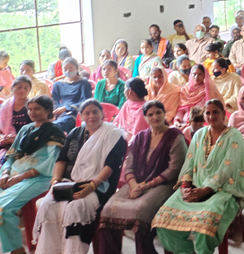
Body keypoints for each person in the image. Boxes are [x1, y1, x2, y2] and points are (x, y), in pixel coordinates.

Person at [152, 99, 244, 254]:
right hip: (195, 187)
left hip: (224, 191)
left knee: (205, 228)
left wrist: (205, 190)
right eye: (208, 112)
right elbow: (189, 163)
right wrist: (184, 187)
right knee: (163, 223)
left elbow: (227, 169)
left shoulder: (233, 135)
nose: (211, 116)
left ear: (224, 114)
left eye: (215, 112)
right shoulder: (199, 135)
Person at [33, 100, 126, 254]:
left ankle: (73, 251)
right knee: (48, 205)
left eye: (95, 112)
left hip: (98, 187)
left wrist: (92, 186)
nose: (92, 116)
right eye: (87, 113)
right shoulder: (75, 133)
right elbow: (61, 160)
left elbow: (110, 166)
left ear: (102, 113)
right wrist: (55, 182)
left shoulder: (113, 134)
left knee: (75, 208)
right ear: (81, 115)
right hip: (68, 183)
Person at [97, 100, 187, 254]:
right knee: (107, 211)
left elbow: (174, 170)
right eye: (150, 114)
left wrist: (145, 186)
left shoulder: (175, 137)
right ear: (145, 118)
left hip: (164, 184)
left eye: (158, 112)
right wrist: (133, 185)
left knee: (140, 214)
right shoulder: (139, 137)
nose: (155, 117)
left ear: (164, 113)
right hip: (136, 183)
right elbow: (129, 166)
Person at [0, 96, 64, 254]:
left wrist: (22, 176)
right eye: (30, 109)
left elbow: (52, 162)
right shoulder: (25, 129)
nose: (32, 112)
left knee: (3, 208)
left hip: (39, 178)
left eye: (37, 109)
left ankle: (17, 250)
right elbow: (11, 155)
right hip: (13, 174)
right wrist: (5, 173)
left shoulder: (53, 131)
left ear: (47, 110)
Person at [51, 57, 93, 132]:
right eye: (65, 69)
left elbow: (85, 102)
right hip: (59, 114)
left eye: (71, 68)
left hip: (74, 114)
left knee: (55, 127)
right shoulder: (58, 84)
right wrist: (54, 111)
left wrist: (66, 108)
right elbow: (53, 100)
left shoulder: (83, 83)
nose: (68, 71)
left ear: (77, 68)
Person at [0, 77, 34, 156]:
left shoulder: (32, 107)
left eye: (26, 88)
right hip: (5, 141)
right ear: (12, 88)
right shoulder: (4, 107)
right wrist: (3, 137)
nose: (22, 91)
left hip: (26, 142)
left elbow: (36, 130)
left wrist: (13, 140)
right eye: (19, 87)